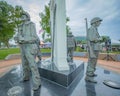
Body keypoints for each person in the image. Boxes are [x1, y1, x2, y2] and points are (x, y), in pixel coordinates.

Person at [14, 11, 41, 90]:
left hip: (30, 47)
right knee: (24, 64)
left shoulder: (31, 25)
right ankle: (26, 77)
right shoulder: (20, 26)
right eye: (21, 16)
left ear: (27, 17)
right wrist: (16, 38)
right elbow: (18, 35)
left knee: (33, 65)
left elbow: (34, 37)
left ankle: (37, 83)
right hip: (22, 47)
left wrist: (23, 39)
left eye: (23, 15)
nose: (22, 17)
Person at [85, 17, 103, 83]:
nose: (100, 23)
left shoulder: (95, 29)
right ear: (95, 22)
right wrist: (100, 39)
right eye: (99, 22)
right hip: (93, 48)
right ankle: (88, 76)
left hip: (95, 47)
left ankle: (91, 72)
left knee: (94, 61)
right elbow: (92, 38)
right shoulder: (92, 29)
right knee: (92, 61)